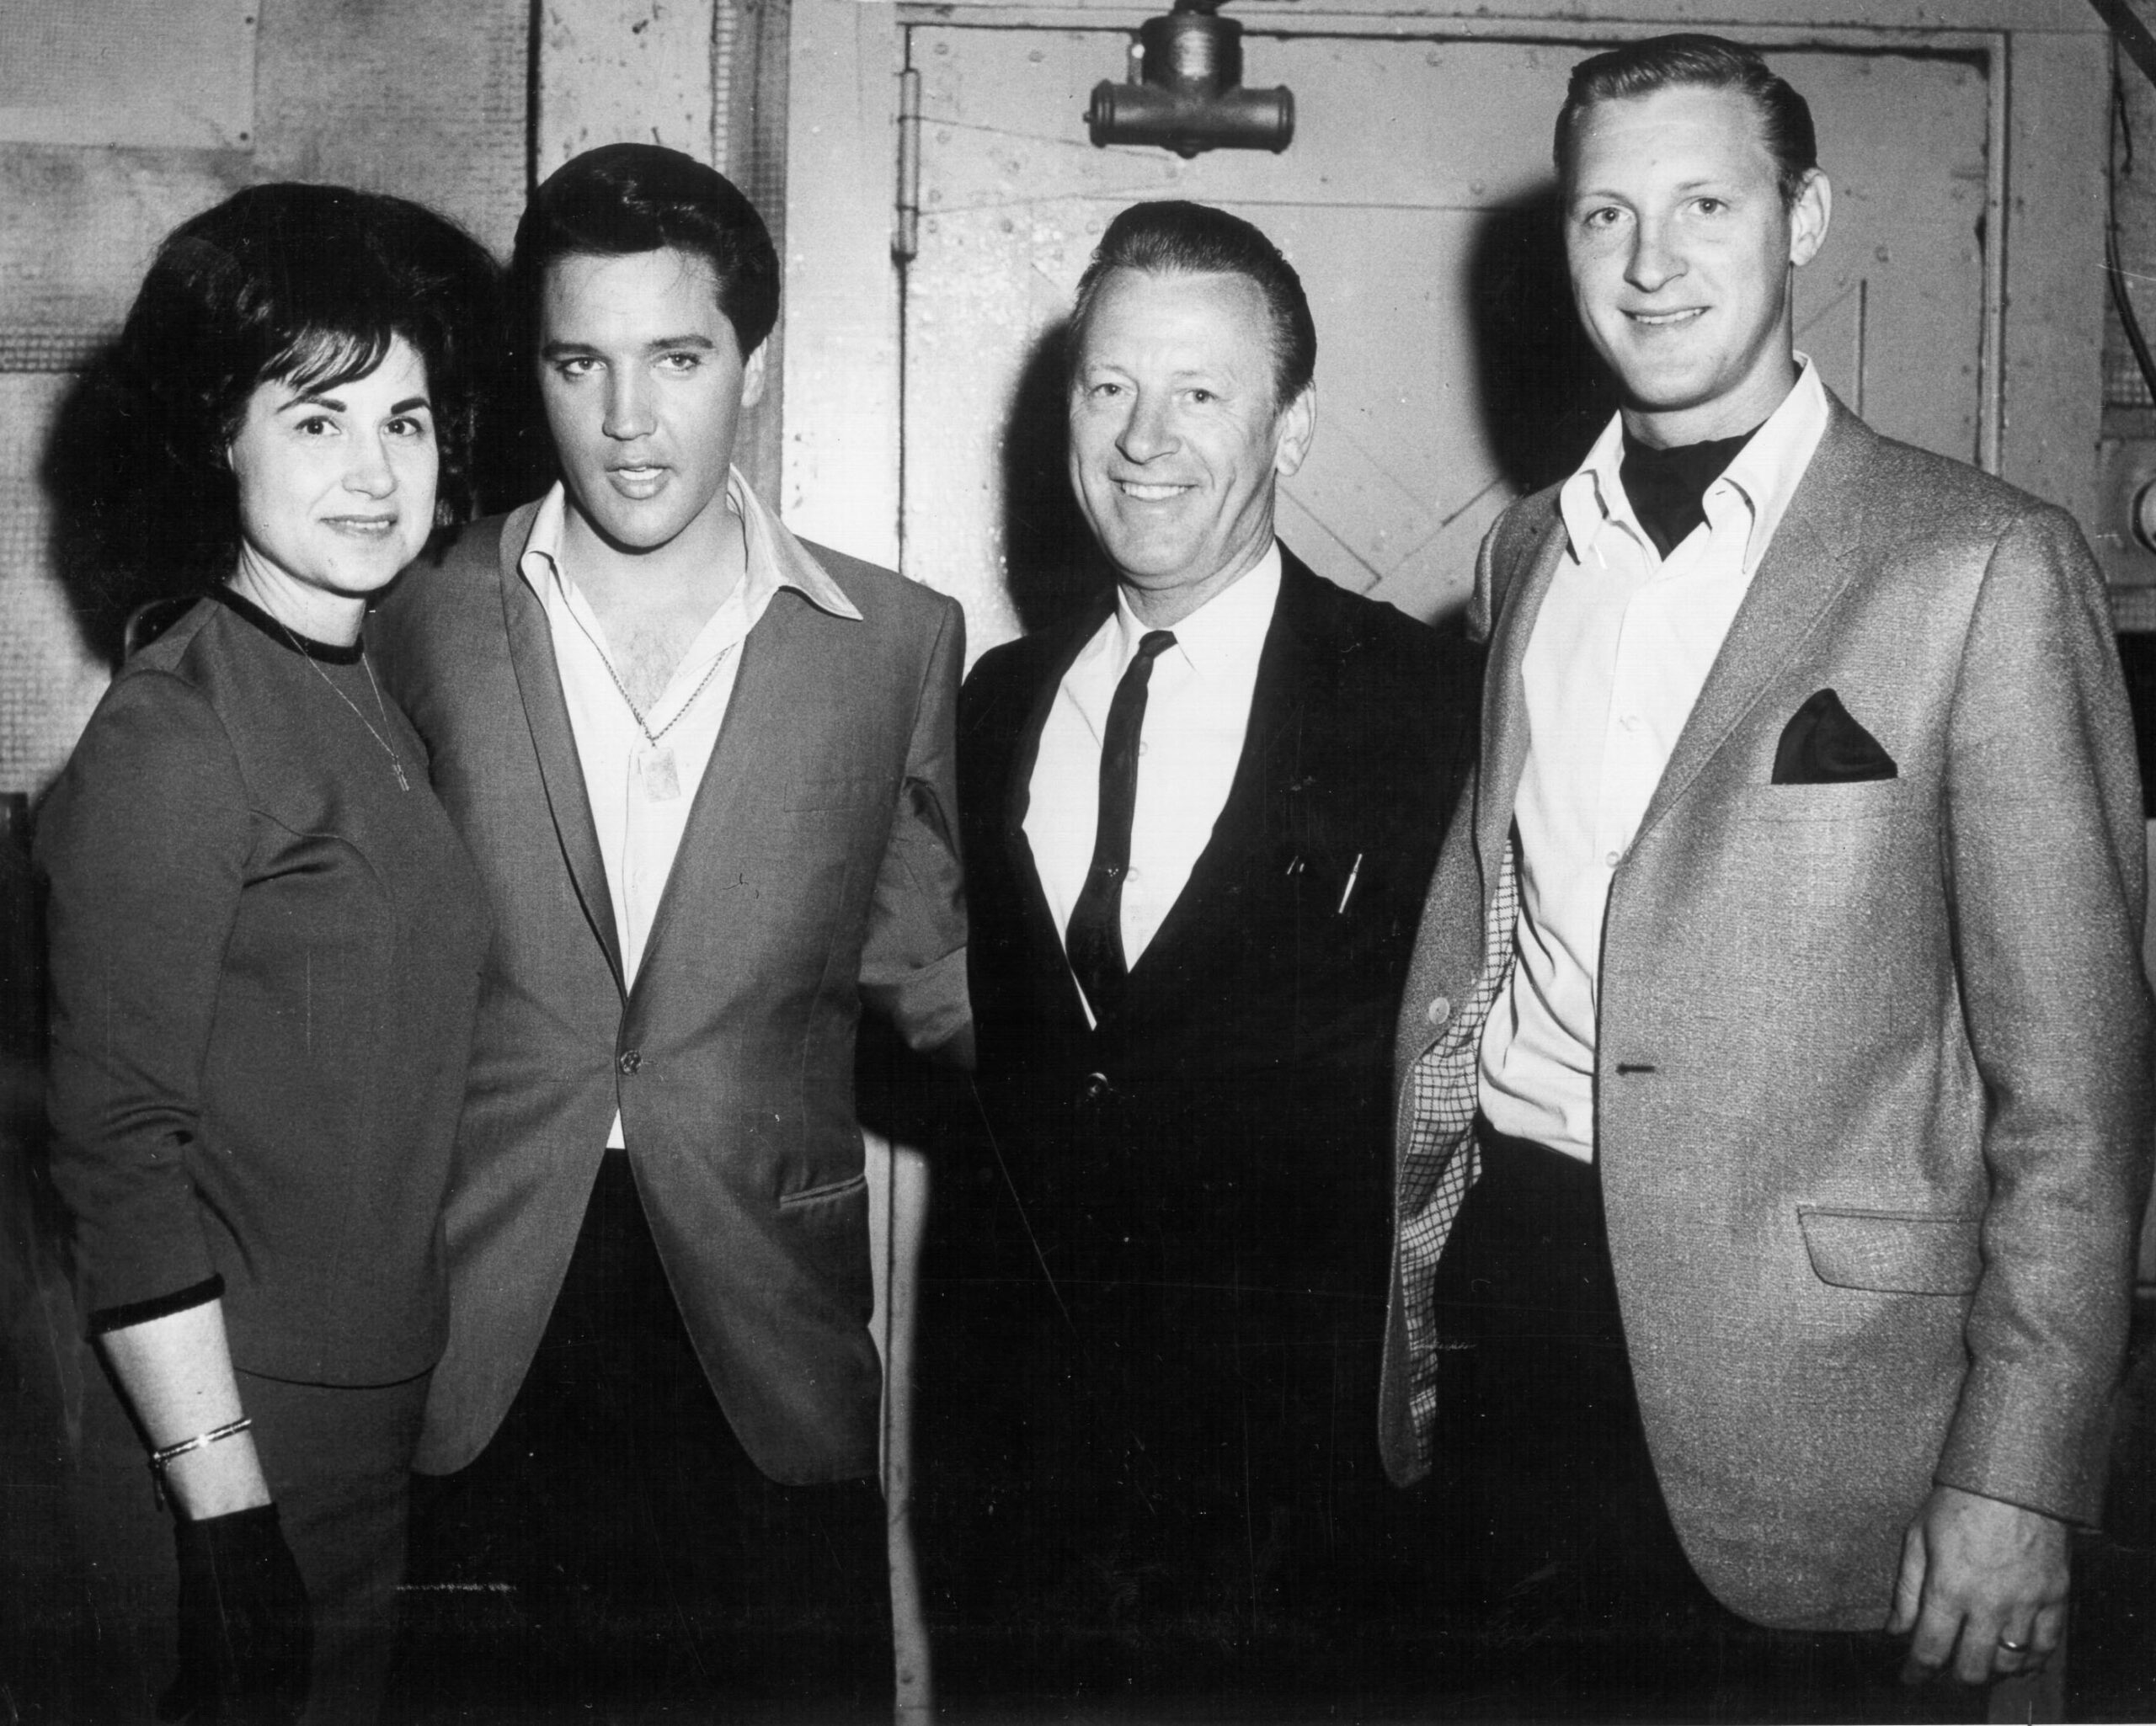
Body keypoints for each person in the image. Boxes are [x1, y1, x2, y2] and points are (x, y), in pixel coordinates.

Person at [1380, 34, 2156, 1719]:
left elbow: (2078, 1091)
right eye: (1602, 214)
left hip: (1830, 1400)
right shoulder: (1528, 549)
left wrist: (2020, 1467)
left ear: (1801, 217)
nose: (1647, 264)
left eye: (1701, 203)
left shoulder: (1978, 565)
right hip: (1520, 1309)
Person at [371, 143, 969, 1720]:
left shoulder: (893, 643)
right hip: (485, 1320)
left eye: (679, 359)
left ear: (752, 370)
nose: (629, 420)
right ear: (536, 369)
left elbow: (934, 972)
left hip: (764, 1320)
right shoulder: (420, 615)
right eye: (582, 361)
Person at [927, 200, 1476, 1703]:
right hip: (1024, 1511)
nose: (1143, 439)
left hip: (1302, 1533)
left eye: (1201, 394)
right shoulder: (990, 705)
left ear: (1292, 429)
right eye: (1108, 389)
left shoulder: (1431, 706)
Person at [36, 183, 494, 1724]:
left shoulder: (370, 689)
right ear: (216, 437)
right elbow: (117, 1154)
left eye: (408, 419)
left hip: (369, 1425)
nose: (375, 471)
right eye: (316, 420)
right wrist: (224, 1519)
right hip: (228, 1442)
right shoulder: (181, 729)